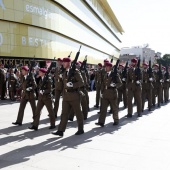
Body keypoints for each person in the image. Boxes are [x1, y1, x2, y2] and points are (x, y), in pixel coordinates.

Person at [52, 57, 84, 136]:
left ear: (69, 63)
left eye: (64, 62)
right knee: (64, 114)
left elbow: (82, 82)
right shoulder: (64, 72)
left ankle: (81, 129)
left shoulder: (75, 72)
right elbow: (62, 85)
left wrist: (73, 85)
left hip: (74, 96)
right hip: (66, 96)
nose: (63, 64)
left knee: (78, 113)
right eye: (62, 62)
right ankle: (61, 130)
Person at [95, 61, 122, 127]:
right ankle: (101, 122)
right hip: (105, 93)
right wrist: (102, 92)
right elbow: (103, 84)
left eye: (106, 67)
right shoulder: (105, 74)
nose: (105, 68)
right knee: (103, 108)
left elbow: (120, 83)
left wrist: (115, 85)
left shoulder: (115, 74)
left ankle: (116, 120)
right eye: (105, 67)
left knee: (114, 108)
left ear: (110, 67)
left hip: (112, 93)